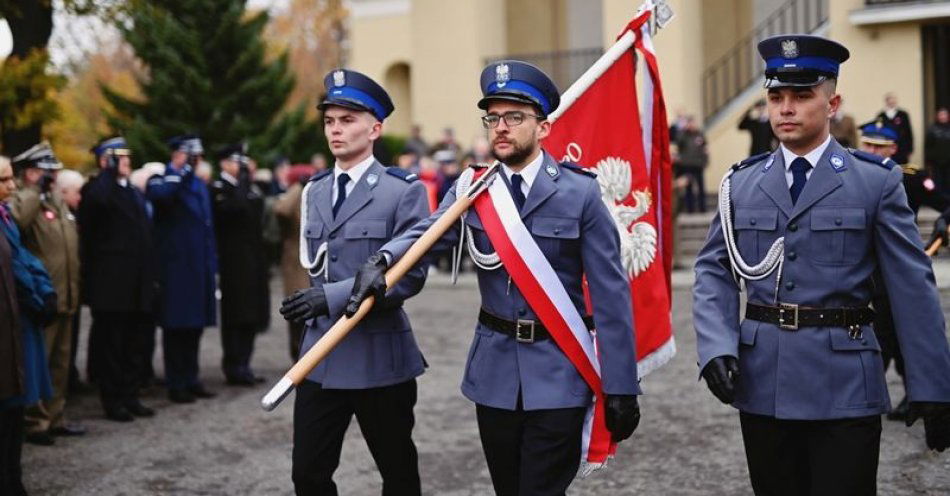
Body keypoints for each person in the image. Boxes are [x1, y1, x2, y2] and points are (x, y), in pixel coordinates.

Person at [346, 60, 642, 495]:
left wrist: (621, 386)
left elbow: (611, 294)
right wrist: (384, 259)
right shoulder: (474, 189)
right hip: (495, 372)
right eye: (494, 118)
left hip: (560, 369)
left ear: (543, 127)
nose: (501, 127)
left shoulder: (580, 193)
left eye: (515, 117)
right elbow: (429, 233)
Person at [693, 34, 950, 495]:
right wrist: (715, 345)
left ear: (832, 102)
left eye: (801, 95)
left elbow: (911, 287)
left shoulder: (875, 183)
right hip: (764, 382)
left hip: (844, 385)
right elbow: (713, 269)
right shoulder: (741, 184)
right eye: (776, 97)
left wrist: (934, 387)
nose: (786, 108)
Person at [278, 68, 431, 495]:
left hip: (378, 353)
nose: (335, 130)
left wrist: (328, 298)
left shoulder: (402, 191)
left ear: (375, 128)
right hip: (321, 356)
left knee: (398, 472)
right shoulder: (315, 190)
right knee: (308, 474)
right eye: (329, 121)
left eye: (347, 120)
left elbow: (410, 274)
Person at [857, 122, 950, 422]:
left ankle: (913, 395)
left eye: (877, 146)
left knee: (893, 330)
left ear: (893, 149)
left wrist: (942, 226)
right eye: (867, 145)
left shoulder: (911, 177)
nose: (870, 151)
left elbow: (946, 204)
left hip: (897, 269)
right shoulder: (850, 174)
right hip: (861, 268)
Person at [8, 143, 84, 444]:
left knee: (61, 361)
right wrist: (31, 191)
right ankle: (35, 421)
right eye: (45, 170)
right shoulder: (25, 201)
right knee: (39, 360)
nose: (52, 175)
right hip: (42, 295)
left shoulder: (56, 201)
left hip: (65, 292)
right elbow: (16, 222)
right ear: (30, 172)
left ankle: (55, 415)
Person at [78, 137, 158, 421]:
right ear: (106, 161)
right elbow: (92, 219)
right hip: (112, 286)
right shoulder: (98, 189)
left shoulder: (133, 192)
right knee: (112, 345)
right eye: (120, 158)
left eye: (126, 158)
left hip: (137, 283)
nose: (127, 162)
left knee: (134, 345)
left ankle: (130, 394)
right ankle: (112, 400)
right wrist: (106, 173)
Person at [146, 135, 218, 404]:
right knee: (176, 328)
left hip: (198, 267)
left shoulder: (198, 184)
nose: (195, 162)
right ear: (177, 154)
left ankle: (191, 378)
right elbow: (162, 198)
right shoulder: (162, 179)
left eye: (197, 157)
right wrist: (180, 171)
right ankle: (176, 382)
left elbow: (206, 228)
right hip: (175, 271)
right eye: (191, 156)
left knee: (194, 327)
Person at [0, 154, 55, 495]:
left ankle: (11, 478)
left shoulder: (5, 217)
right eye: (4, 181)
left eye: (10, 179)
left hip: (15, 322)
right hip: (6, 325)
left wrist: (44, 291)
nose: (12, 186)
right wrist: (38, 297)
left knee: (13, 410)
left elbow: (23, 258)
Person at [210, 143, 270, 386]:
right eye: (237, 162)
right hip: (232, 263)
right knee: (236, 316)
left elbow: (257, 210)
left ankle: (245, 363)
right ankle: (233, 365)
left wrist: (247, 183)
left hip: (253, 260)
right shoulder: (219, 188)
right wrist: (244, 185)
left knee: (251, 314)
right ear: (224, 163)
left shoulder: (246, 188)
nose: (241, 167)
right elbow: (235, 209)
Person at [272, 164, 315, 361]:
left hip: (313, 266)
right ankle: (298, 358)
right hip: (296, 265)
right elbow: (282, 210)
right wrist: (298, 187)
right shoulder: (292, 199)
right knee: (297, 314)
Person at [675, 115, 709, 212]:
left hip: (698, 165)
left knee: (701, 188)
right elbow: (678, 142)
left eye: (693, 123)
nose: (692, 125)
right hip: (687, 165)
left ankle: (702, 208)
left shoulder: (700, 135)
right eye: (690, 123)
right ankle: (690, 209)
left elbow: (705, 149)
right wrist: (684, 130)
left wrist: (705, 162)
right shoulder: (683, 135)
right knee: (689, 188)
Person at [877, 92, 914, 164]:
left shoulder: (903, 114)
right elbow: (878, 132)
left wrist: (910, 149)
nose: (892, 101)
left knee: (902, 169)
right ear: (886, 101)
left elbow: (908, 132)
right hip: (886, 148)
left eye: (894, 99)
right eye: (890, 99)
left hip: (901, 149)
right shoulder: (881, 115)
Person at [925, 107, 950, 194]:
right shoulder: (932, 129)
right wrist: (929, 161)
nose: (943, 116)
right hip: (936, 162)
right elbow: (928, 146)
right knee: (938, 181)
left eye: (944, 114)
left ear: (948, 116)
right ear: (937, 116)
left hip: (948, 161)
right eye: (941, 114)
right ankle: (939, 201)